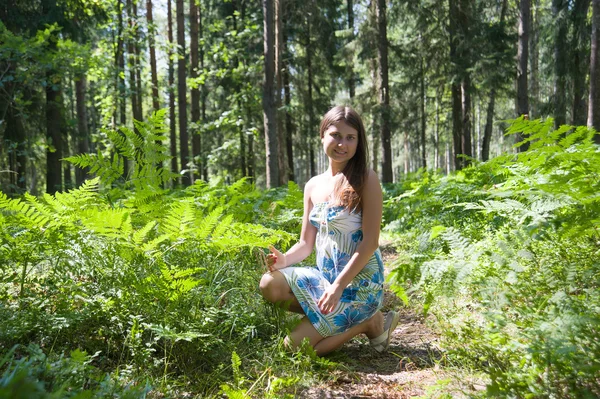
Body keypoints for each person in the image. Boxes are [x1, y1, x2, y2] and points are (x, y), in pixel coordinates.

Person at [259, 105, 399, 356]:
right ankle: (329, 317)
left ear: (358, 142)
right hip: (326, 281)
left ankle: (368, 321)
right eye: (335, 135)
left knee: (293, 350)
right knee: (270, 283)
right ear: (322, 135)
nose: (342, 144)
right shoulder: (313, 185)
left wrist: (338, 287)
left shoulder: (366, 179)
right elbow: (305, 243)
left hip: (359, 285)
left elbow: (370, 243)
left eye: (350, 137)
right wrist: (285, 260)